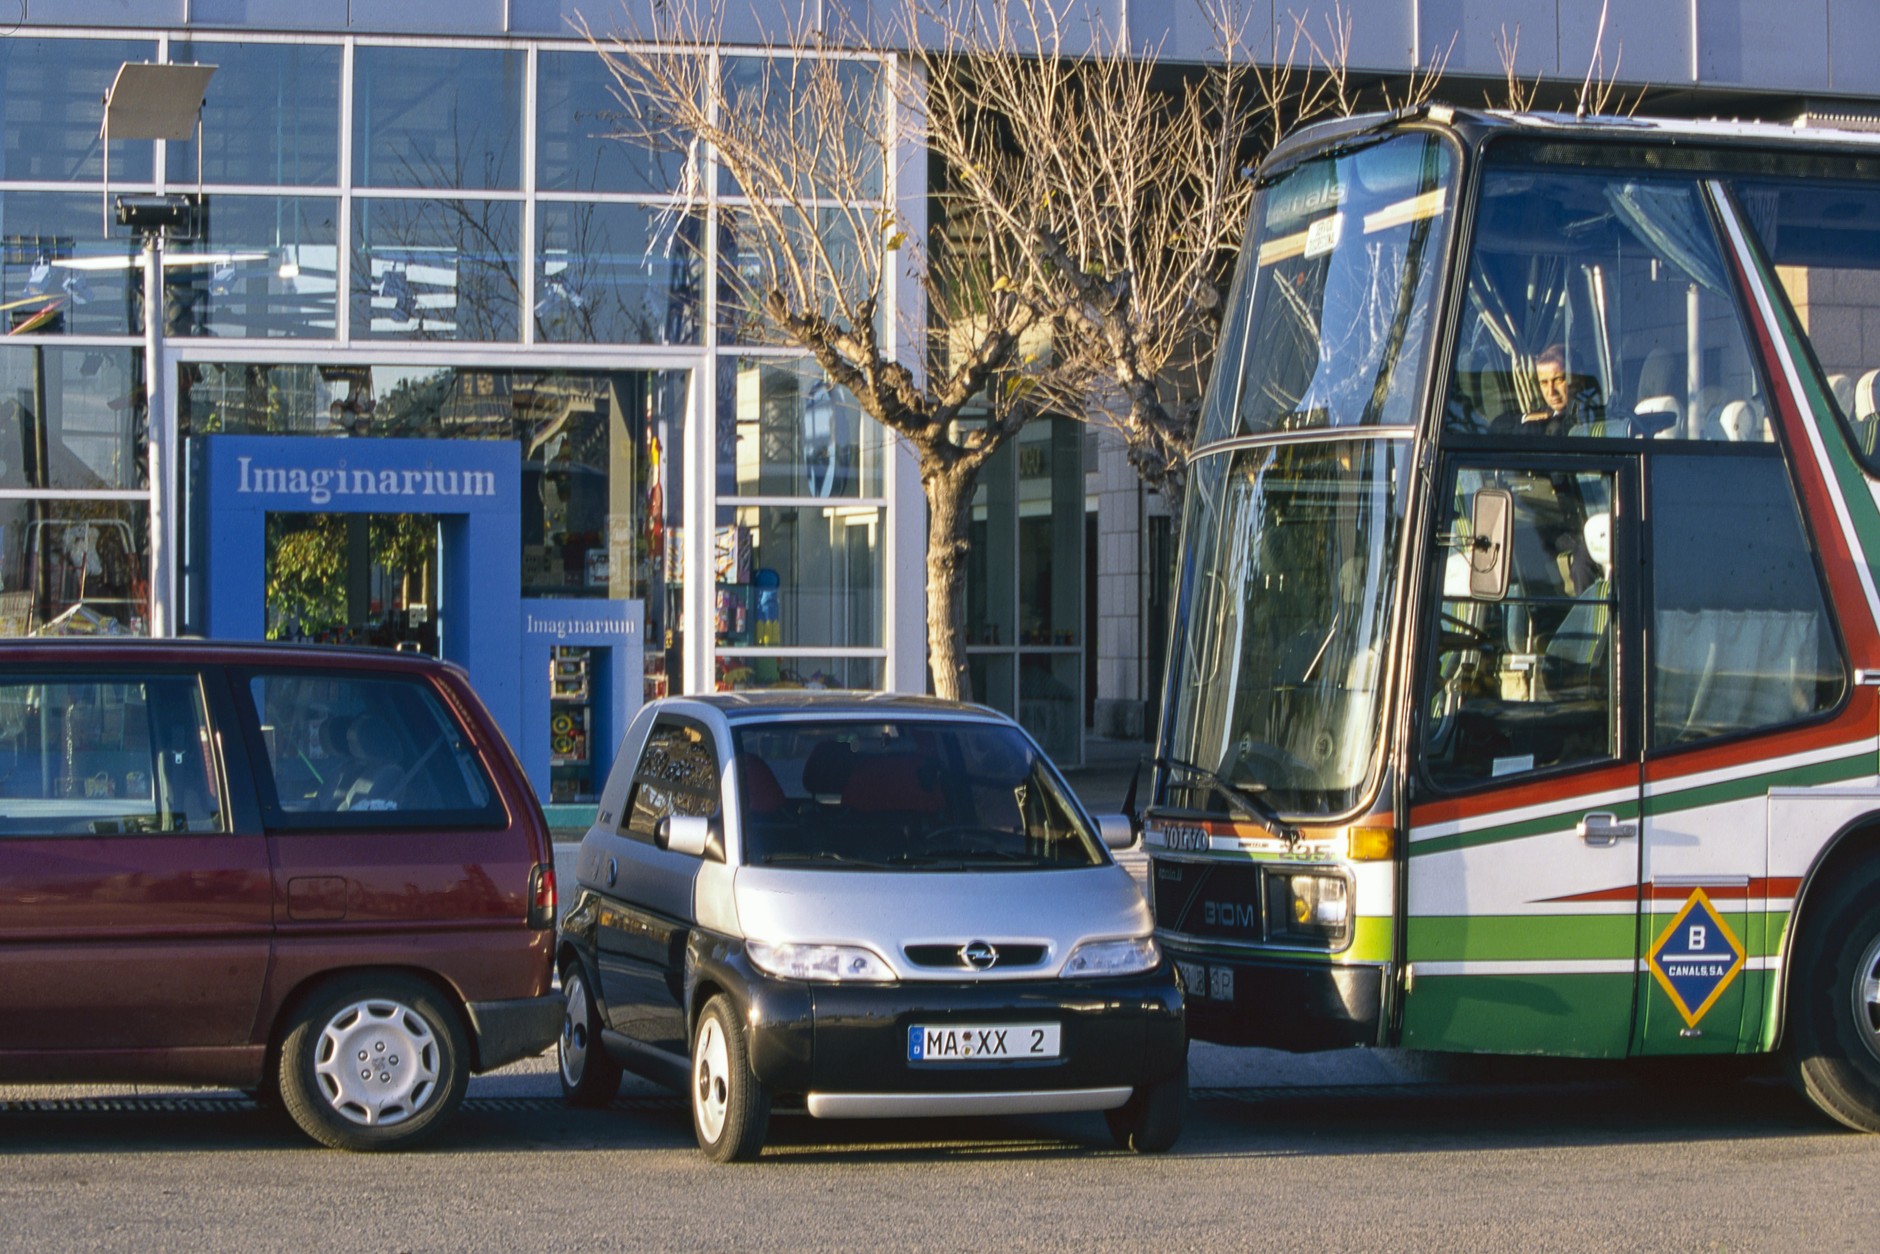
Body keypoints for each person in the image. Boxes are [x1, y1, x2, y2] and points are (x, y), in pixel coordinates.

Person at [1491, 344, 1581, 436]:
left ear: (1578, 378)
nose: (1551, 392)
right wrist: (1527, 417)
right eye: (1544, 383)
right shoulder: (1545, 413)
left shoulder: (1586, 415)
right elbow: (1496, 425)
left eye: (1558, 380)